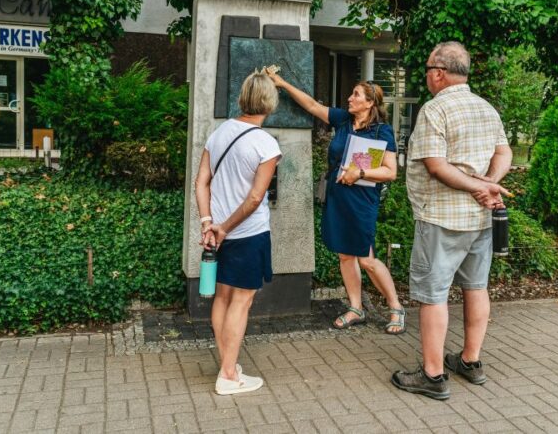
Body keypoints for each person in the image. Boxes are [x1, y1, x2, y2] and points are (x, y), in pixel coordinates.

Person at [391, 41, 512, 400]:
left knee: (433, 294)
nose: (427, 76)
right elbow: (503, 152)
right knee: (476, 287)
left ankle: (432, 375)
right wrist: (490, 183)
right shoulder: (486, 108)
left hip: (442, 217)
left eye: (428, 70)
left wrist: (480, 185)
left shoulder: (434, 109)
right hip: (481, 218)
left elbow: (436, 165)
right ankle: (470, 361)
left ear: (440, 74)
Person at [266, 68, 406, 335]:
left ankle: (395, 307)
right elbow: (311, 105)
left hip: (362, 199)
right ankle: (356, 308)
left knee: (366, 259)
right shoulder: (343, 120)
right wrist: (282, 83)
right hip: (338, 196)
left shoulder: (381, 132)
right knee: (344, 255)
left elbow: (391, 172)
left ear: (370, 103)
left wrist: (361, 173)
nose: (350, 98)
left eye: (356, 95)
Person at [195, 70, 282, 396]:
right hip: (247, 233)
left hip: (218, 235)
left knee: (223, 297)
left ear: (242, 97)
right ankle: (229, 375)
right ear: (269, 104)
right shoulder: (266, 144)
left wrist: (208, 223)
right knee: (241, 302)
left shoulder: (219, 133)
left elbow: (201, 182)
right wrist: (225, 227)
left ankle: (227, 364)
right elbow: (256, 197)